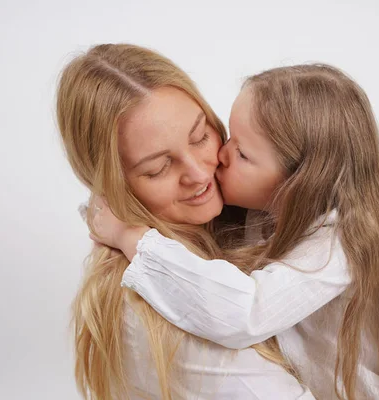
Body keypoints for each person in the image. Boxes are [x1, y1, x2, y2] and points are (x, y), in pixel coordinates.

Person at [90, 64, 379, 399]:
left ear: (297, 183)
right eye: (227, 136)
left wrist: (130, 237)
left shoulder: (337, 247)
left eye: (243, 154)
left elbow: (244, 314)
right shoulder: (265, 210)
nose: (220, 156)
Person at [56, 43, 315, 400]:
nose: (198, 173)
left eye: (200, 137)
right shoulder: (160, 310)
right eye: (157, 168)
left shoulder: (244, 219)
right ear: (114, 187)